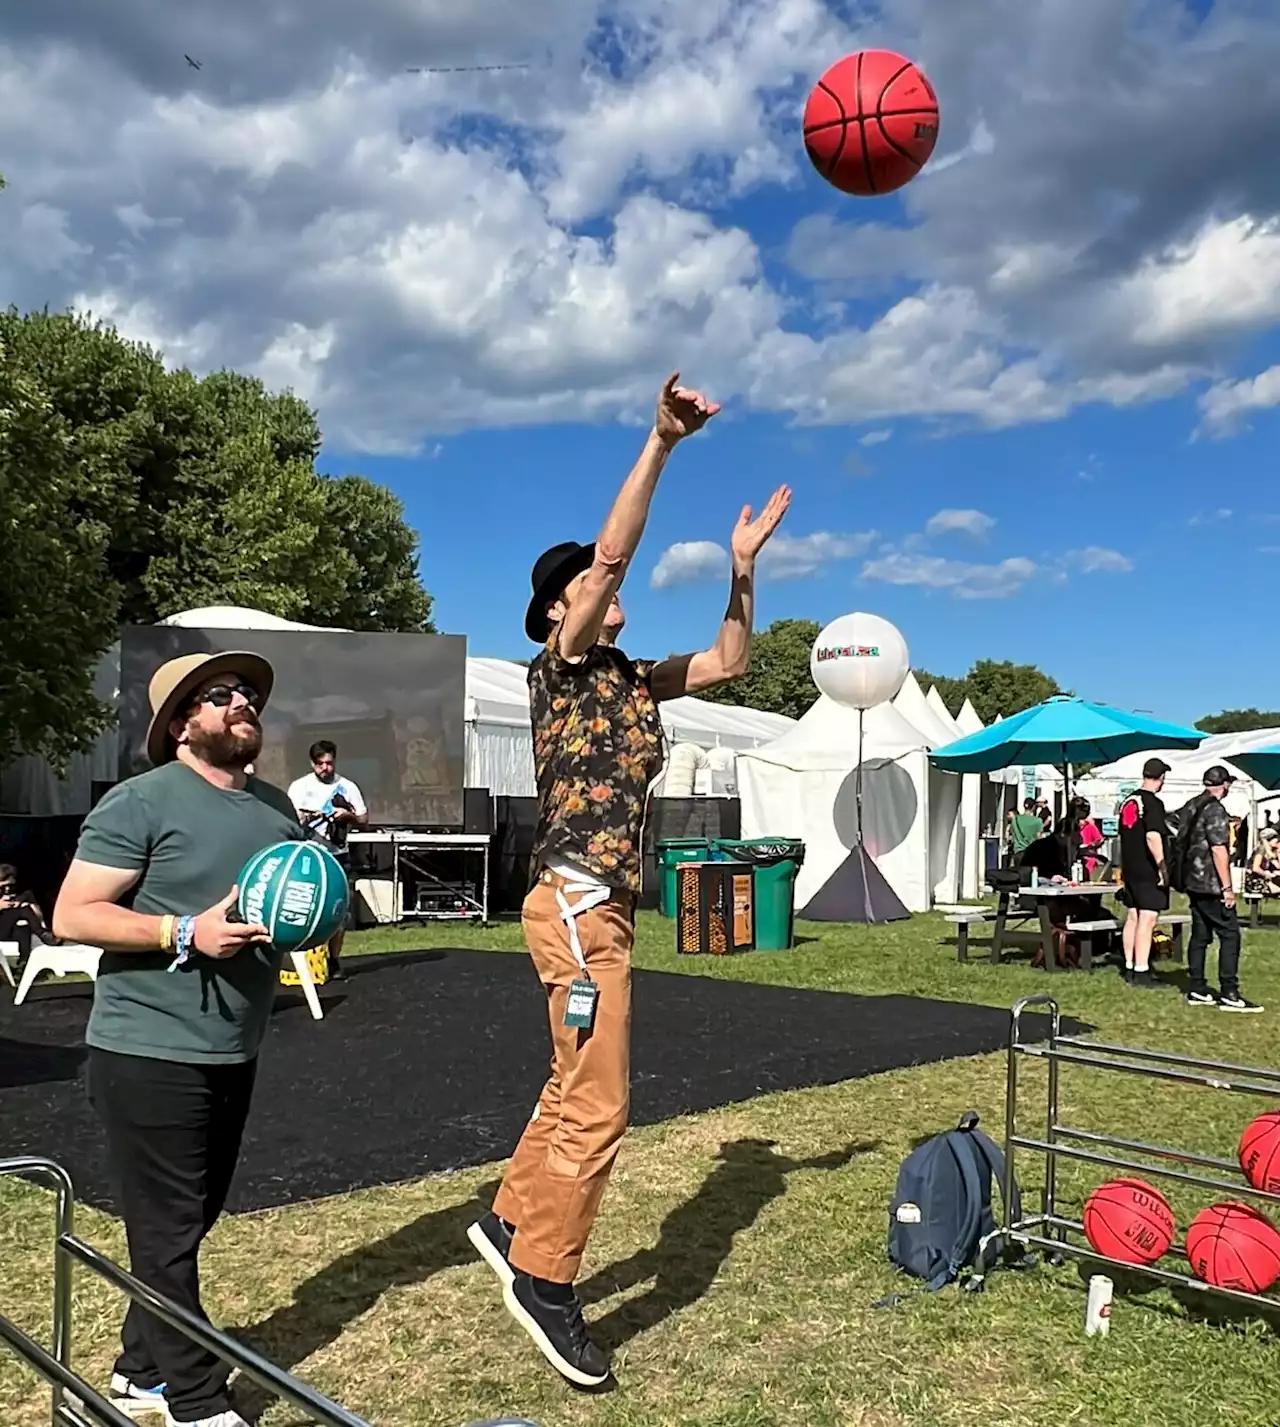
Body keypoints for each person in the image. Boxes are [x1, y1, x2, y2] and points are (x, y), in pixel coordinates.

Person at [466, 373, 790, 1387]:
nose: (606, 592)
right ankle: (545, 1279)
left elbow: (731, 661)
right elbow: (610, 553)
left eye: (600, 589)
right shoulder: (557, 664)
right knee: (602, 1104)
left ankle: (510, 1214)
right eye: (587, 588)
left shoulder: (630, 676)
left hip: (600, 904)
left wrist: (740, 571)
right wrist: (661, 443)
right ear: (559, 611)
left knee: (574, 1080)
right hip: (571, 896)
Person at [53, 651, 302, 1427]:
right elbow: (74, 913)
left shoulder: (275, 811)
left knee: (190, 1218)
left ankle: (138, 1367)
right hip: (146, 1047)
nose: (242, 704)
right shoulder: (142, 800)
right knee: (165, 1233)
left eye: (249, 694)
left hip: (233, 1045)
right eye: (220, 695)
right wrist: (181, 929)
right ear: (180, 723)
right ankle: (196, 1400)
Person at [1180, 765, 1263, 1011]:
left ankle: (1197, 988)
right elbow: (1218, 849)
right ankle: (1230, 992)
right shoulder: (1215, 809)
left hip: (1192, 880)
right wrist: (1227, 888)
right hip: (1211, 883)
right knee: (1230, 935)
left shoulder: (1192, 804)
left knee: (1200, 936)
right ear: (1224, 784)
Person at [286, 740, 367, 979]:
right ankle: (307, 962)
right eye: (320, 764)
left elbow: (363, 819)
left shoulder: (347, 786)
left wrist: (346, 815)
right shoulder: (300, 787)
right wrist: (309, 817)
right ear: (312, 764)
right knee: (307, 908)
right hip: (310, 855)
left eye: (329, 763)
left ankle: (334, 960)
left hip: (338, 855)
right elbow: (289, 821)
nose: (326, 768)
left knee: (338, 911)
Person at [1116, 759, 1171, 989]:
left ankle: (1129, 965)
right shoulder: (1152, 803)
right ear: (1161, 779)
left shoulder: (1128, 801)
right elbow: (1153, 836)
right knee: (1148, 918)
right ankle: (1142, 971)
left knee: (1133, 916)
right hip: (1147, 868)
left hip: (1130, 866)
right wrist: (1162, 865)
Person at [1008, 798, 1044, 865]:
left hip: (1018, 853)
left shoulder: (1015, 819)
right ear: (1033, 807)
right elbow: (1039, 839)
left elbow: (1012, 835)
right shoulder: (1038, 821)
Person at [1246, 826, 1280, 896]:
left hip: (1267, 879)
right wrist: (1267, 874)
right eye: (1274, 839)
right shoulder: (1260, 850)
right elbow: (1255, 868)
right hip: (1256, 881)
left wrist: (1279, 853)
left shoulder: (1272, 852)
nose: (1277, 841)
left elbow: (1278, 866)